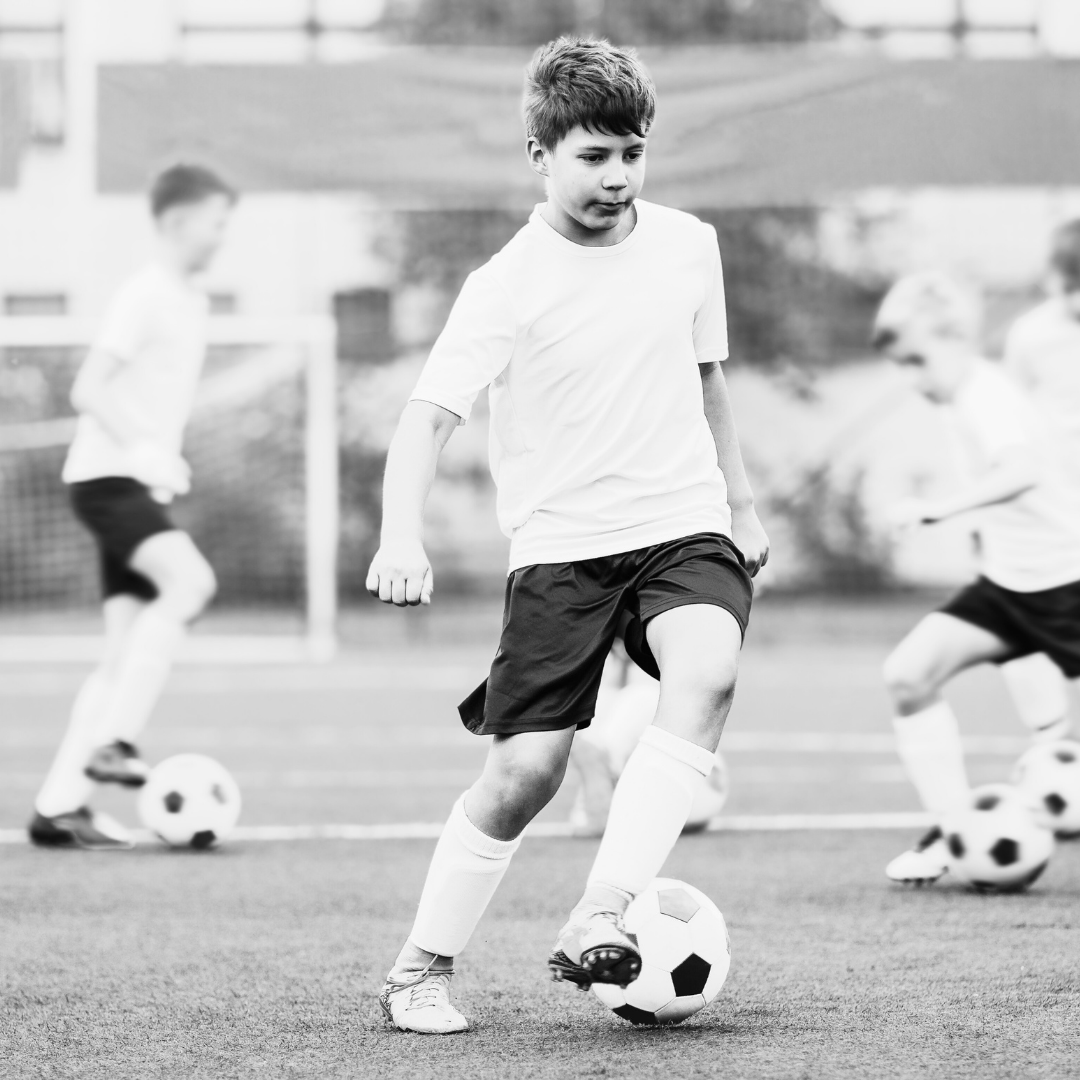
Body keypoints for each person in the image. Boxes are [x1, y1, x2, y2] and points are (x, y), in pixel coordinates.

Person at [368, 37, 768, 1033]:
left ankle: (604, 906)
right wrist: (399, 534)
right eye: (594, 156)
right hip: (562, 549)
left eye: (633, 152)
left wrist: (741, 505)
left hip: (681, 524)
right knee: (524, 775)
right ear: (539, 154)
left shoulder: (689, 246)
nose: (618, 176)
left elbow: (708, 378)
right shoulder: (505, 282)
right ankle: (420, 969)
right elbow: (427, 416)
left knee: (708, 670)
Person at [28, 163, 235, 850]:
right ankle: (114, 742)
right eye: (216, 222)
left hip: (131, 483)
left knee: (119, 655)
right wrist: (141, 447)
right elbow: (88, 389)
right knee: (192, 583)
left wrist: (158, 456)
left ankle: (58, 809)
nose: (222, 236)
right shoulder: (144, 294)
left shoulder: (190, 301)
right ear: (177, 222)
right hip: (107, 480)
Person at [872, 271, 1080, 885]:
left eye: (918, 360)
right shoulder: (964, 397)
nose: (912, 379)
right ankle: (952, 829)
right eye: (900, 366)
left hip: (1065, 583)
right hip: (1009, 588)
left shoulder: (985, 395)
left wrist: (938, 509)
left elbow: (1022, 471)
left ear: (957, 339)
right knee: (909, 676)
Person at [997, 219, 1080, 744]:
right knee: (1017, 612)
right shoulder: (1031, 335)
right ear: (1054, 280)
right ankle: (1053, 742)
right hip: (1052, 505)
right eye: (1071, 286)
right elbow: (1012, 420)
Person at [567, 638, 729, 837]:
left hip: (686, 802)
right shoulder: (641, 691)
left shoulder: (637, 697)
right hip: (706, 798)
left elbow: (593, 759)